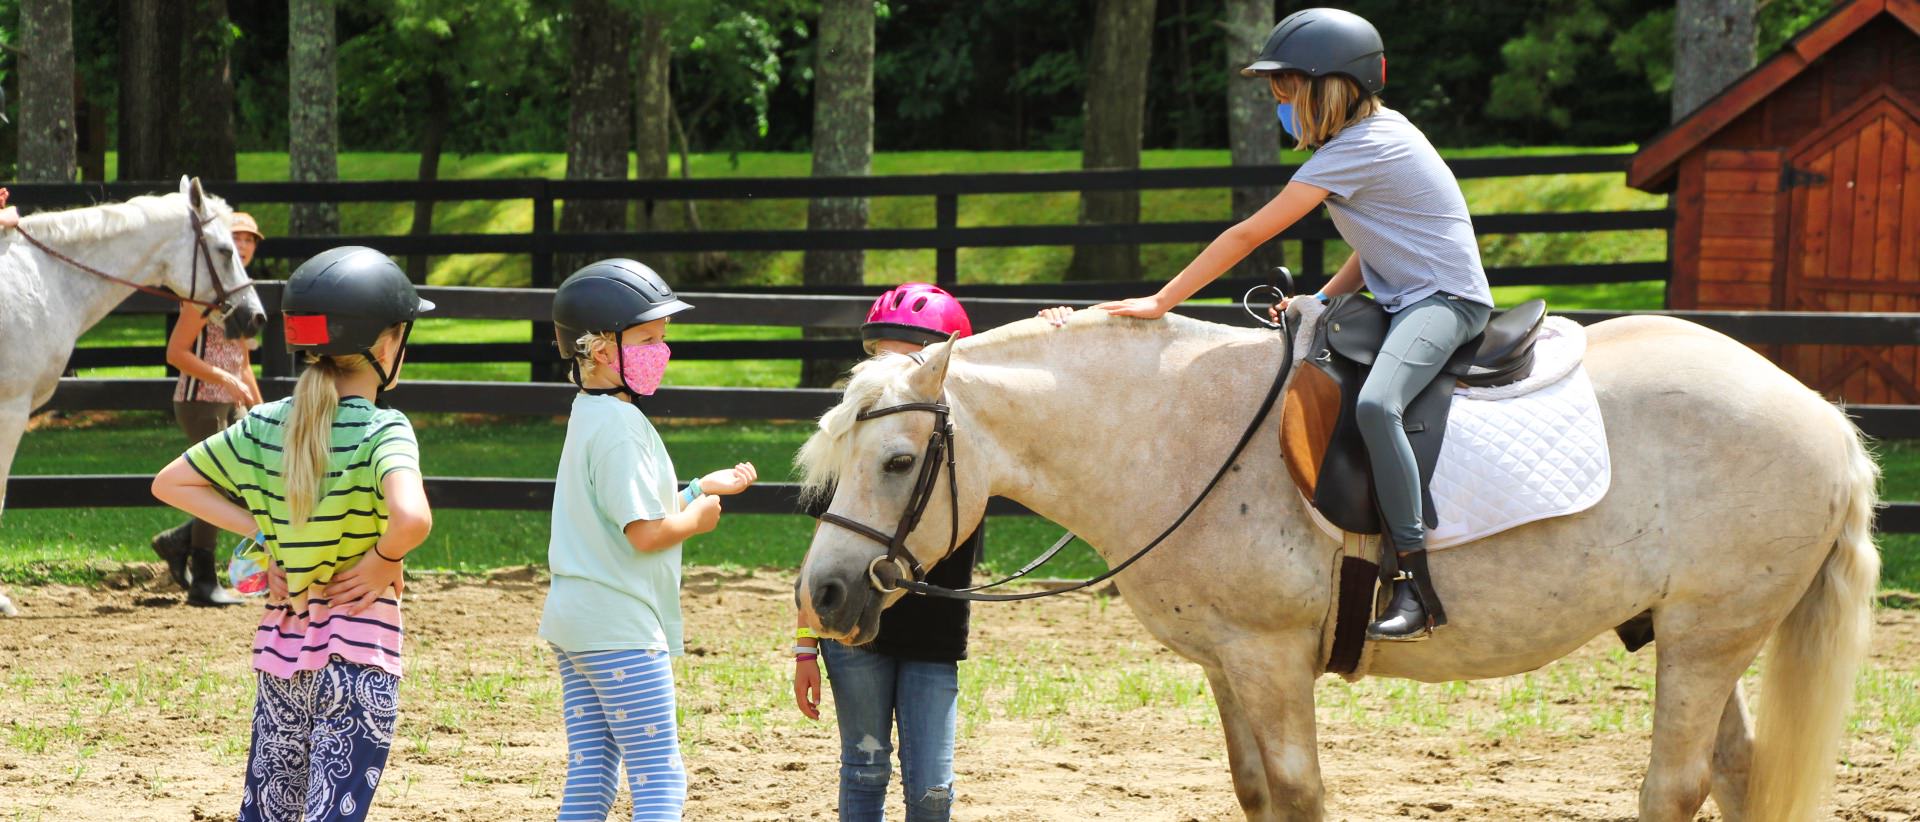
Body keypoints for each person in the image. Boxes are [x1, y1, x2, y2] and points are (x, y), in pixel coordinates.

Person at [1094, 7, 1495, 642]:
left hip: (1446, 302)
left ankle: (1416, 582)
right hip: (1405, 297)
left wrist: (1161, 302)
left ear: (1329, 88)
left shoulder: (1362, 148)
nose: (1282, 107)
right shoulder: (1368, 139)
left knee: (1378, 406)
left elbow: (1251, 231)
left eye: (1288, 92)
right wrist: (1324, 298)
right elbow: (1379, 246)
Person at [150, 246, 435, 821]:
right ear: (385, 346)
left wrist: (269, 528)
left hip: (282, 654)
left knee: (270, 811)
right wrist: (383, 559)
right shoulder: (386, 429)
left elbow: (171, 484)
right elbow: (413, 518)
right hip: (359, 658)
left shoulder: (264, 423)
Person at [540, 258, 759, 822]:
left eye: (662, 338)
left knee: (593, 765)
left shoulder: (590, 413)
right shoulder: (621, 428)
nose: (661, 350)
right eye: (647, 338)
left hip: (577, 618)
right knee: (659, 767)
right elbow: (644, 533)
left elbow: (620, 511)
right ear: (599, 349)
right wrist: (698, 518)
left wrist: (695, 489)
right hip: (620, 627)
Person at [793, 282, 981, 822]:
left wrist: (1057, 324)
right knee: (863, 769)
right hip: (852, 634)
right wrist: (807, 643)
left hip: (934, 632)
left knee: (932, 789)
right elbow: (822, 549)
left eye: (906, 354)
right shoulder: (860, 439)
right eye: (878, 352)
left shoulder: (965, 447)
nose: (885, 366)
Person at [150, 211, 266, 605]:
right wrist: (222, 379)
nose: (246, 246)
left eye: (251, 240)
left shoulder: (238, 298)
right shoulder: (199, 298)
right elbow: (176, 353)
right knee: (215, 484)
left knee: (244, 484)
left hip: (228, 402)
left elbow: (243, 364)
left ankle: (178, 542)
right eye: (238, 239)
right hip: (199, 402)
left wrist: (260, 410)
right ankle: (203, 581)